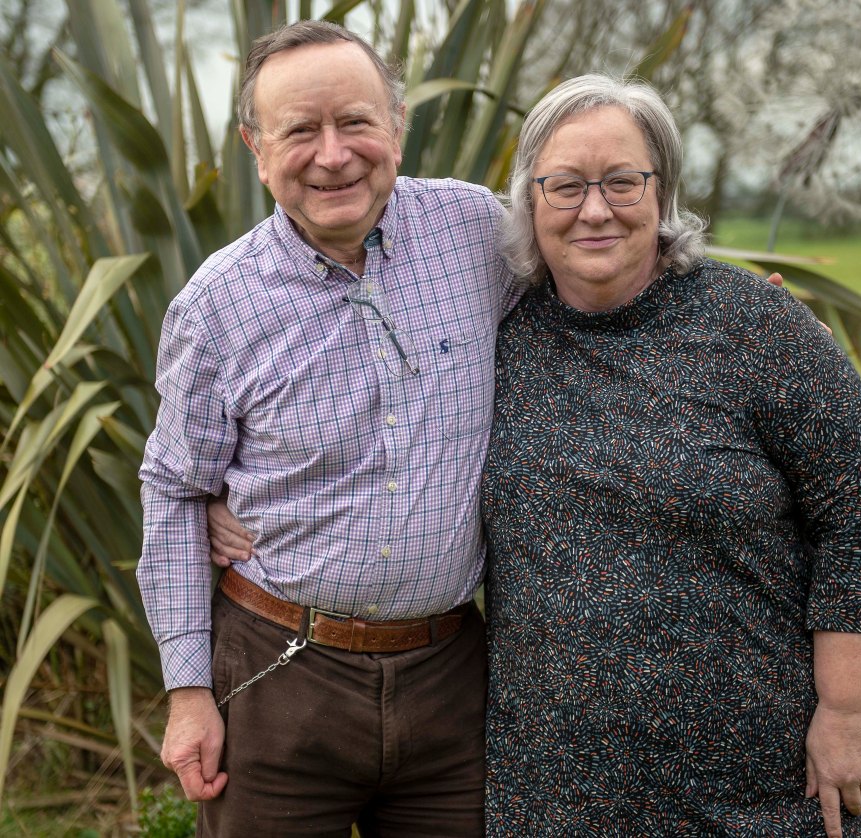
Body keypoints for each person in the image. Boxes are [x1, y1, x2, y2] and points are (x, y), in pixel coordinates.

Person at [478, 75, 861, 837]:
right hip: (557, 795)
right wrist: (223, 503)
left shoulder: (757, 325)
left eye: (622, 181)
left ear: (663, 189)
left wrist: (849, 709)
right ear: (529, 199)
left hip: (771, 792)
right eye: (567, 186)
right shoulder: (497, 341)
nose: (597, 209)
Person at [137, 19, 522, 836]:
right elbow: (174, 491)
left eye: (356, 121)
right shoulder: (216, 308)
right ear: (255, 145)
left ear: (398, 125)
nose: (334, 154)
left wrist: (714, 307)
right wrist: (187, 694)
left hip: (454, 678)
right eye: (301, 130)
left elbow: (598, 270)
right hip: (278, 680)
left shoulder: (478, 234)